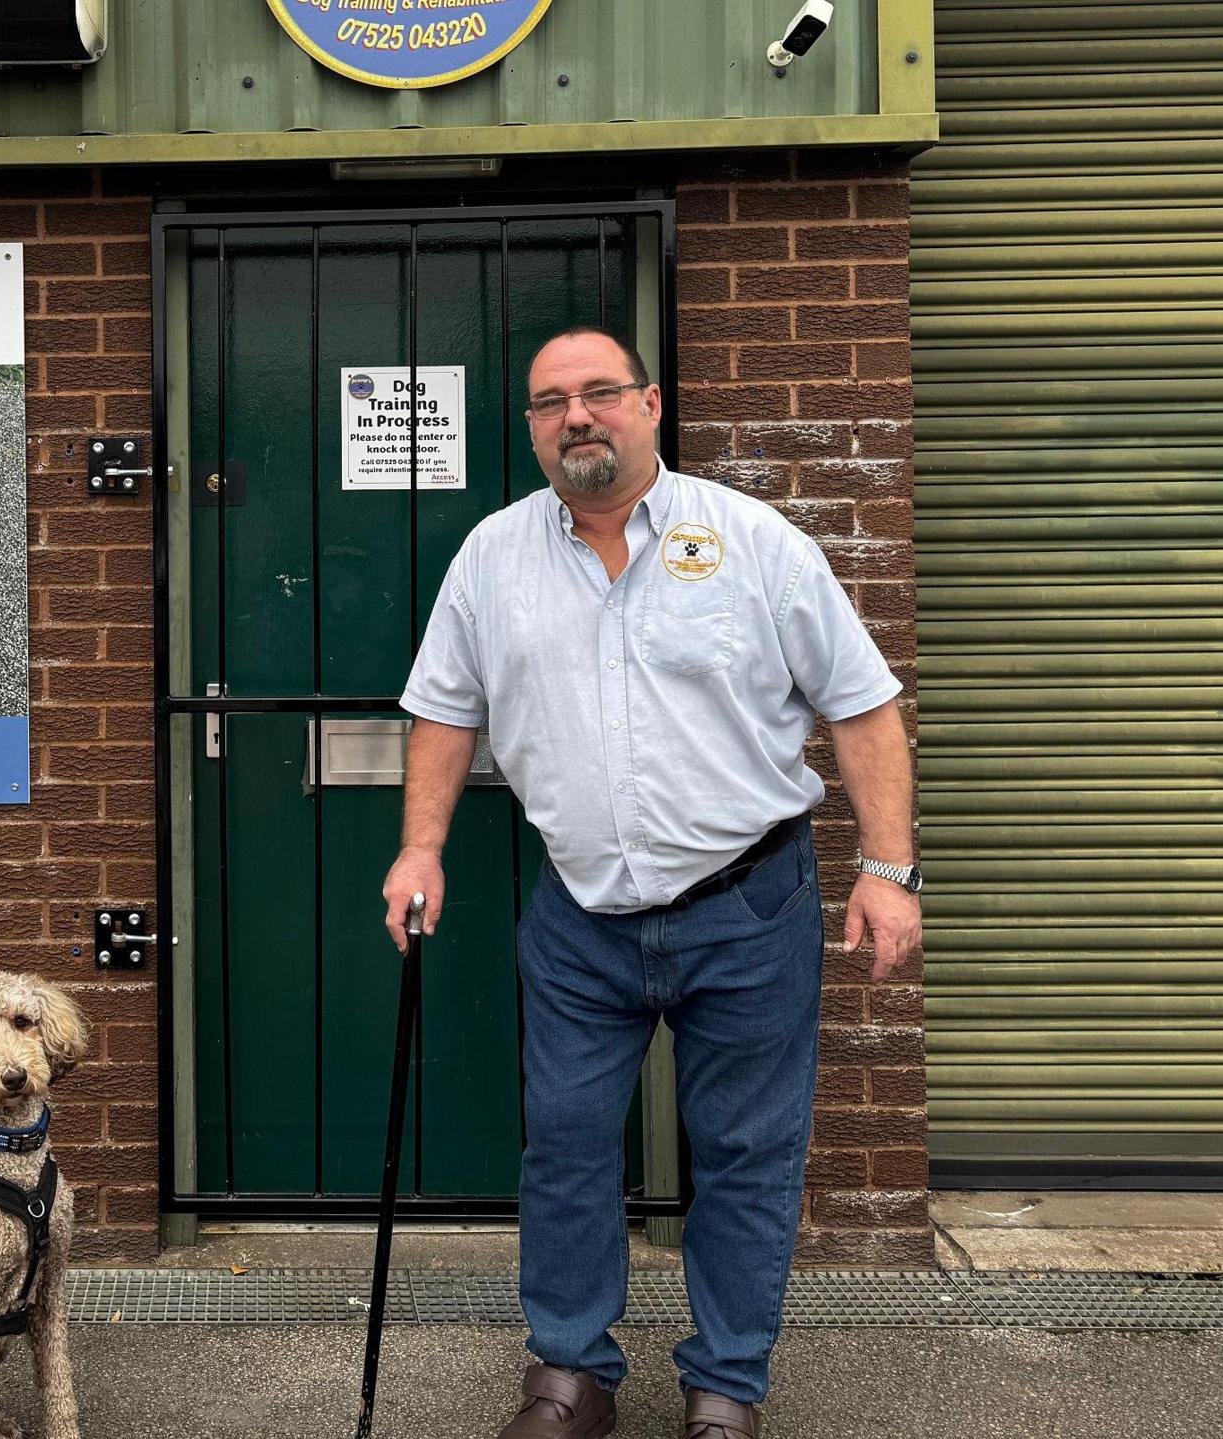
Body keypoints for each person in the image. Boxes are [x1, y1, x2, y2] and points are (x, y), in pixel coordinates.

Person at [381, 327, 921, 1439]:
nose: (575, 416)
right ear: (531, 426)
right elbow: (444, 709)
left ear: (649, 403)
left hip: (749, 904)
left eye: (598, 393)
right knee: (567, 1144)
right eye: (549, 402)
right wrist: (420, 844)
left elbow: (861, 704)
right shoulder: (491, 556)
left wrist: (885, 868)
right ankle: (570, 1376)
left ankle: (725, 1385)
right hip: (579, 917)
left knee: (747, 1151)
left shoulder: (751, 541)